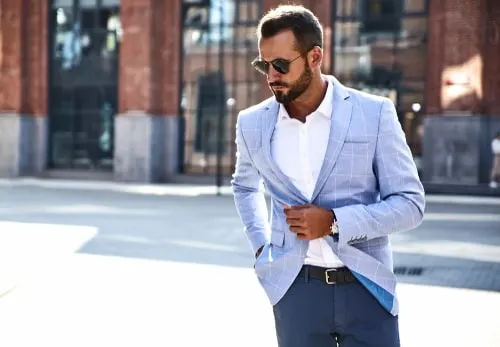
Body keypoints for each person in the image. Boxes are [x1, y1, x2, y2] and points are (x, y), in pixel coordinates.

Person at [231, 5, 425, 347]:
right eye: (264, 65)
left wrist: (335, 222)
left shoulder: (374, 113)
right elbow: (244, 186)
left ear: (314, 56)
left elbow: (410, 204)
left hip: (367, 286)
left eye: (280, 65)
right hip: (295, 291)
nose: (271, 76)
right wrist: (262, 247)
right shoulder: (252, 123)